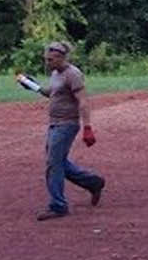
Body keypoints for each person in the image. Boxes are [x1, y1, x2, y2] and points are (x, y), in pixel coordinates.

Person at [15, 42, 104, 220]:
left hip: (67, 124)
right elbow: (53, 93)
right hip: (54, 123)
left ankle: (58, 205)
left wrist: (87, 127)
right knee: (58, 162)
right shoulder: (56, 73)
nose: (47, 63)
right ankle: (93, 182)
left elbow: (83, 101)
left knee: (53, 164)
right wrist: (33, 86)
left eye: (51, 59)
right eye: (46, 59)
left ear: (62, 57)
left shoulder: (73, 74)